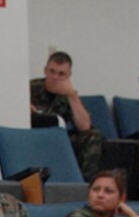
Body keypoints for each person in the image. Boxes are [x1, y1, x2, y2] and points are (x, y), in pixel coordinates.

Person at [28, 51, 101, 181]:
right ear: (45, 70)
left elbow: (85, 127)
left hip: (59, 140)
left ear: (69, 75)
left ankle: (85, 187)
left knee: (93, 136)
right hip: (33, 137)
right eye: (52, 71)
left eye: (61, 74)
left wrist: (72, 96)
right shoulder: (30, 88)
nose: (55, 77)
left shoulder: (68, 94)